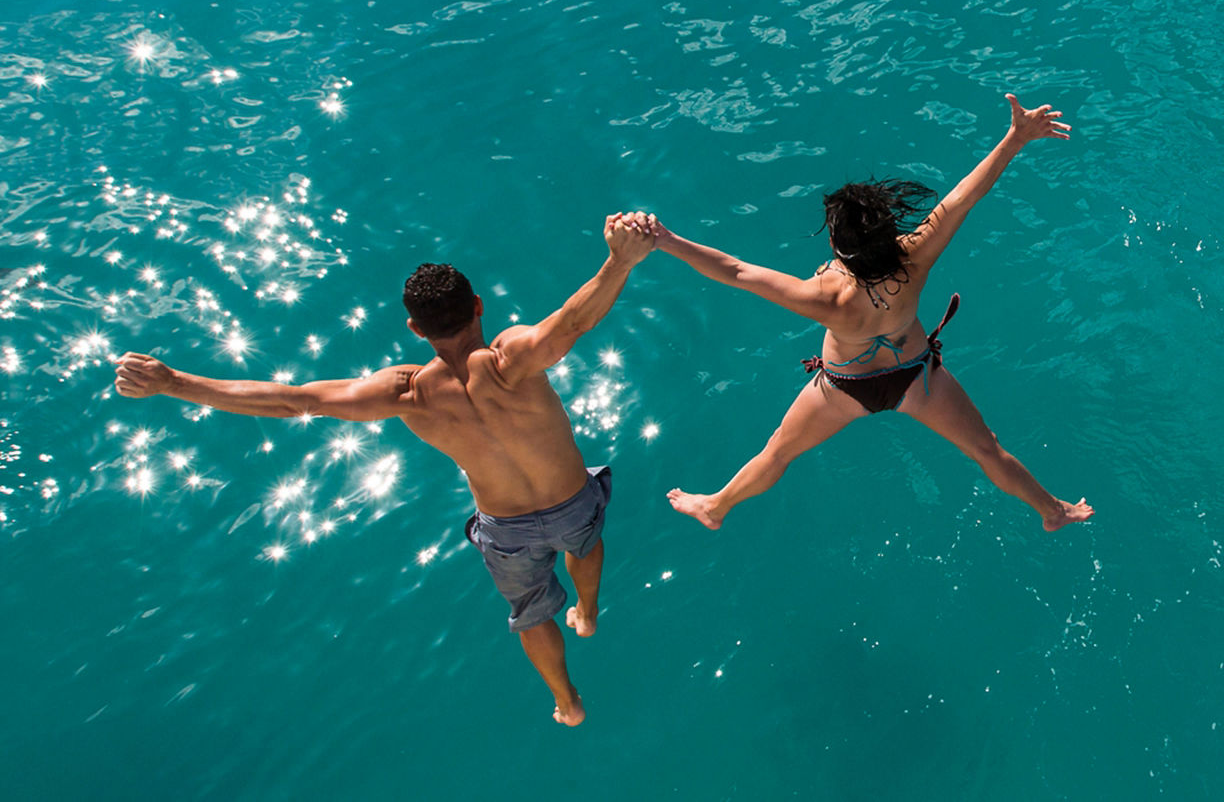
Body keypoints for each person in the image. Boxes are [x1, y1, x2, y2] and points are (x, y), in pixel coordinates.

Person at [113, 213, 657, 726]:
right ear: (478, 307)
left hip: (506, 528)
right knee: (583, 544)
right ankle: (587, 611)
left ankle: (567, 701)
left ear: (415, 329)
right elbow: (571, 324)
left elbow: (291, 401)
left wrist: (173, 382)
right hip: (569, 501)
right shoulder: (509, 359)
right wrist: (620, 261)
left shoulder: (408, 393)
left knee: (530, 613)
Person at [652, 93, 1093, 533]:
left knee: (777, 453)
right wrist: (1015, 139)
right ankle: (1052, 510)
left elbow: (735, 271)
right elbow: (963, 197)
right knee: (987, 451)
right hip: (917, 378)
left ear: (836, 245)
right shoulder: (914, 255)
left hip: (845, 387)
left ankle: (716, 507)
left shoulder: (824, 296)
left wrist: (667, 240)